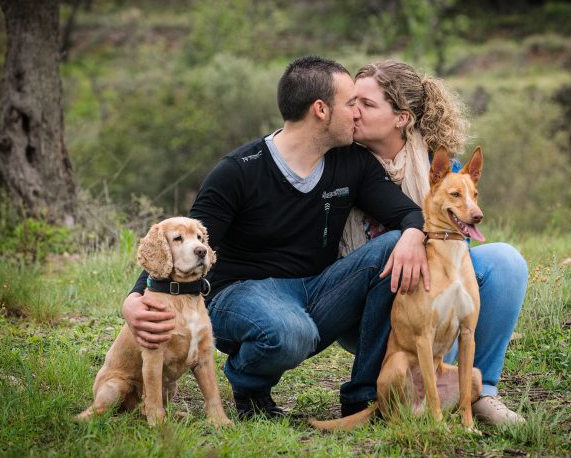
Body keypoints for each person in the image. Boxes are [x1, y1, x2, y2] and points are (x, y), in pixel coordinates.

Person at [121, 56, 430, 419]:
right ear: (320, 110)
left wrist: (412, 233)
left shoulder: (352, 163)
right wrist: (132, 300)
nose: (356, 114)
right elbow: (186, 239)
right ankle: (249, 389)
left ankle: (361, 399)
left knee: (394, 244)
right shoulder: (238, 171)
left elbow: (407, 213)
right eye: (350, 104)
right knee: (289, 332)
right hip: (237, 294)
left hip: (315, 289)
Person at [340, 60, 528, 425]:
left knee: (506, 261)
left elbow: (454, 258)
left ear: (402, 118)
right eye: (351, 101)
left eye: (366, 103)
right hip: (365, 310)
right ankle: (382, 389)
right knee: (391, 249)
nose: (354, 111)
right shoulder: (338, 162)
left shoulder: (439, 166)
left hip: (428, 296)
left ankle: (481, 392)